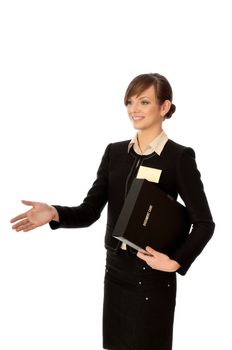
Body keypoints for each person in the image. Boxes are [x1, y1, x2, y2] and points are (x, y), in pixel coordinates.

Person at [10, 73, 215, 350]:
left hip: (151, 276)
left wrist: (175, 262)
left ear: (164, 107)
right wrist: (54, 213)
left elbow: (204, 223)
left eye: (144, 101)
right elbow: (90, 211)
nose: (134, 109)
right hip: (116, 273)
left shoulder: (178, 157)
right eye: (130, 102)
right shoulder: (115, 153)